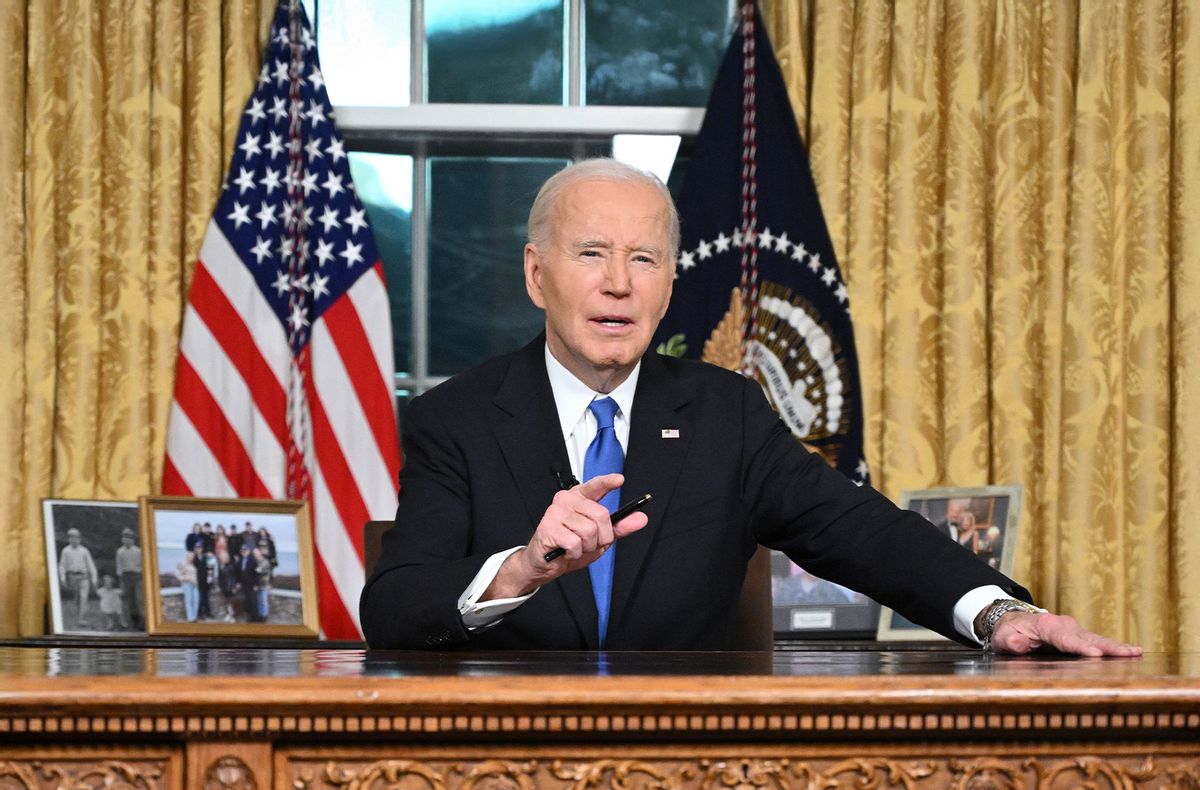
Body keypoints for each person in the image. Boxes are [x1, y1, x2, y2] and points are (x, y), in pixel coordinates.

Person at [360, 158, 1140, 658]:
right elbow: (394, 609)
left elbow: (859, 530)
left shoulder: (725, 414)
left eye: (645, 260)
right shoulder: (454, 419)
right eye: (592, 254)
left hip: (688, 761)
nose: (619, 283)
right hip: (504, 764)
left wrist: (999, 612)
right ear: (537, 275)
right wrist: (524, 569)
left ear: (670, 285)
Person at [58, 528, 98, 628]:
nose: (74, 540)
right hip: (72, 576)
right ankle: (79, 615)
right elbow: (62, 565)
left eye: (76, 538)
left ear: (79, 539)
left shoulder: (84, 551)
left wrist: (94, 578)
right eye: (71, 538)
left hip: (84, 576)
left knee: (84, 597)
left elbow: (91, 565)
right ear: (69, 539)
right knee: (77, 598)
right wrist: (62, 577)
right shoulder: (66, 551)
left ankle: (82, 619)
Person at [114, 528, 143, 629]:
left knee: (138, 599)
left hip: (136, 576)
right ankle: (131, 621)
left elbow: (142, 566)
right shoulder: (120, 551)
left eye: (128, 538)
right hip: (125, 576)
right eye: (124, 538)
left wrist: (140, 577)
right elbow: (119, 567)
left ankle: (141, 622)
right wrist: (121, 579)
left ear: (132, 539)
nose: (126, 540)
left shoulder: (138, 551)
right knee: (128, 600)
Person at [176, 550, 199, 622]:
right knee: (188, 600)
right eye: (189, 556)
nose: (191, 558)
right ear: (187, 556)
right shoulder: (182, 563)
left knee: (196, 600)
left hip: (195, 584)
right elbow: (177, 573)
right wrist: (184, 578)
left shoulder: (194, 564)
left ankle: (195, 617)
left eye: (192, 557)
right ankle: (190, 618)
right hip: (187, 584)